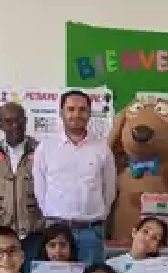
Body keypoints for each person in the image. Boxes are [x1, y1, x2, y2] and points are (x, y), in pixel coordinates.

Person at [32, 90, 115, 264]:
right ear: (61, 112)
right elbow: (40, 191)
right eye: (71, 109)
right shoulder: (46, 148)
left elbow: (109, 191)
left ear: (89, 113)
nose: (76, 114)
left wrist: (95, 216)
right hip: (56, 233)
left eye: (82, 109)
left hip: (91, 232)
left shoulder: (102, 148)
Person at [0, 102, 44, 271]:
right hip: (2, 235)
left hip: (35, 233)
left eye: (19, 121)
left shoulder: (41, 151)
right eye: (9, 121)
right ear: (0, 124)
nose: (15, 126)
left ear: (26, 121)